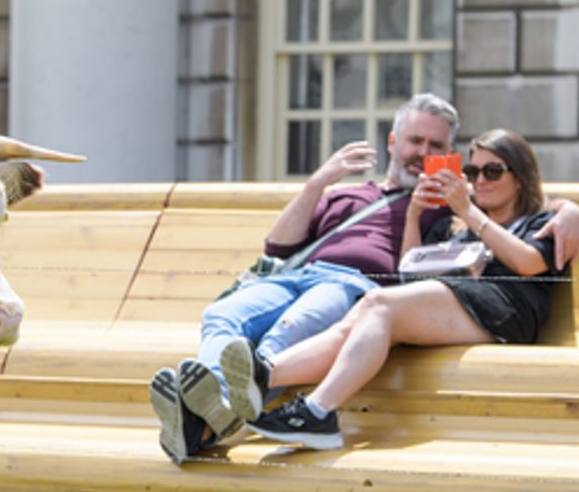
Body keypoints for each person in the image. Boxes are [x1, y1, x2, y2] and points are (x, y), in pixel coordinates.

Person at [148, 93, 461, 464]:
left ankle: (200, 424)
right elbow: (278, 246)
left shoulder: (448, 210)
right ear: (393, 142)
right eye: (415, 140)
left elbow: (414, 276)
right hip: (296, 276)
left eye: (436, 146)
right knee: (222, 313)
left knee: (288, 331)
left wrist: (432, 207)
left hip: (353, 286)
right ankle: (216, 411)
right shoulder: (346, 195)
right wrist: (318, 182)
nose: (423, 152)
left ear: (449, 152)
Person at [235, 129, 565, 449]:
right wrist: (414, 214)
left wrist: (468, 210)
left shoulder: (542, 221)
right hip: (458, 303)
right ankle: (263, 374)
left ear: (520, 177)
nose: (480, 181)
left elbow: (528, 263)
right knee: (358, 318)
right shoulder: (456, 229)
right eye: (472, 172)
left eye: (492, 171)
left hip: (506, 312)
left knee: (378, 303)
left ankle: (317, 410)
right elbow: (411, 272)